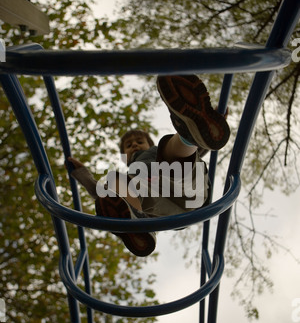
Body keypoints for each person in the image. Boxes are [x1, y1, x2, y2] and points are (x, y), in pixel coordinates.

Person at [67, 74, 230, 257]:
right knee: (115, 182)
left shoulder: (156, 152)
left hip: (187, 188)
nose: (134, 145)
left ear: (148, 143)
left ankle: (189, 133)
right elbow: (105, 196)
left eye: (139, 141)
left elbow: (195, 154)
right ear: (124, 157)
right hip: (166, 208)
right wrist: (85, 176)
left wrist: (212, 124)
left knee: (170, 153)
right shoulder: (132, 176)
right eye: (128, 146)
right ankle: (137, 222)